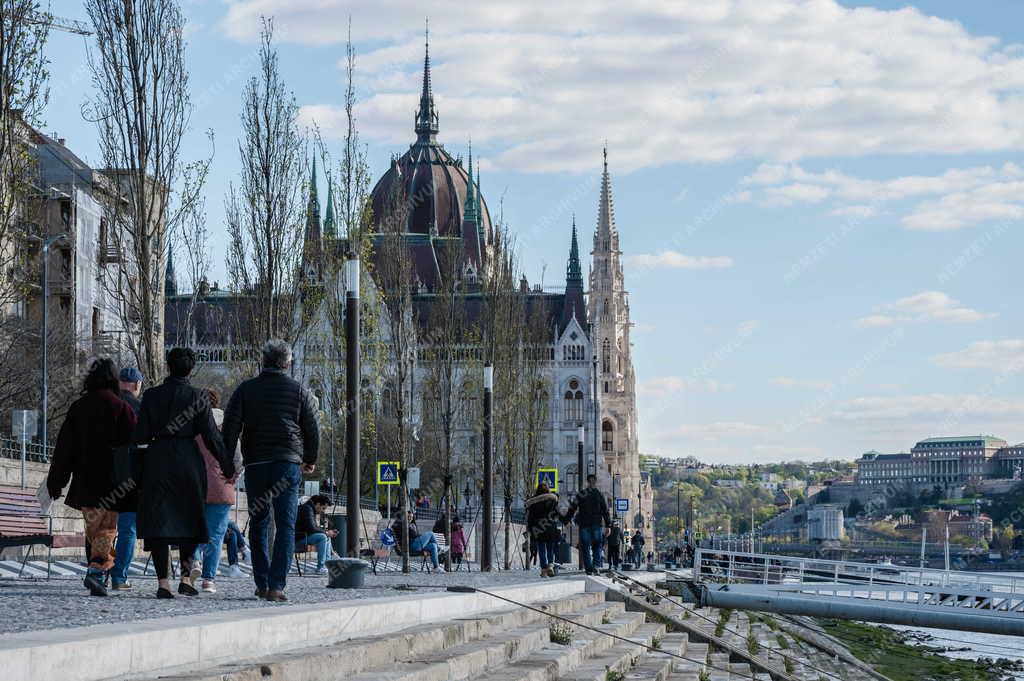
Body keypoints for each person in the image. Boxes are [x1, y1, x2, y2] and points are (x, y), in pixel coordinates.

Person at [222, 339, 320, 602]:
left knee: (259, 522)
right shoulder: (299, 391)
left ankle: (262, 583)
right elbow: (312, 428)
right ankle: (277, 585)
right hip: (288, 463)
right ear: (287, 363)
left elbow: (230, 428)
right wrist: (309, 458)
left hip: (257, 465)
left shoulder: (246, 390)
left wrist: (228, 464)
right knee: (286, 525)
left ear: (262, 361)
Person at [133, 348, 232, 599]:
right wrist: (227, 465)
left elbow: (140, 435)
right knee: (190, 518)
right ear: (191, 369)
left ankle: (163, 582)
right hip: (188, 461)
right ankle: (186, 578)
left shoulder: (152, 396)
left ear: (168, 366)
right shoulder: (198, 396)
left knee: (158, 521)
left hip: (158, 460)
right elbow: (211, 437)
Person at [46, 359, 138, 597]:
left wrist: (56, 482)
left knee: (94, 530)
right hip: (113, 481)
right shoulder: (121, 408)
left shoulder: (79, 407)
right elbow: (135, 445)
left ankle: (96, 573)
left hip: (86, 481)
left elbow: (64, 449)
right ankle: (96, 572)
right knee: (107, 530)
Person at [191, 388, 240, 593]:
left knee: (194, 529)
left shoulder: (192, 426)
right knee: (217, 534)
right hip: (222, 484)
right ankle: (208, 579)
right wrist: (233, 474)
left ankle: (194, 559)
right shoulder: (227, 426)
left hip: (196, 484)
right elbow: (238, 458)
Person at [109, 366, 144, 590]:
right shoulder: (139, 409)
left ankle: (97, 570)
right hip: (130, 478)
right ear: (137, 385)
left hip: (103, 476)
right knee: (127, 529)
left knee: (101, 528)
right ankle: (119, 576)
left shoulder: (105, 404)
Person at [562, 474, 612, 575]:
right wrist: (608, 525)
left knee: (585, 547)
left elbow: (572, 507)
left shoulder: (581, 494)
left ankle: (589, 569)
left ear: (587, 482)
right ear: (595, 482)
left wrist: (567, 520)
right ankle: (596, 566)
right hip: (596, 524)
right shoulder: (599, 494)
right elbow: (605, 510)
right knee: (597, 545)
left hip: (584, 524)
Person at [525, 482, 561, 577]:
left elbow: (530, 517)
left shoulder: (533, 502)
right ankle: (550, 565)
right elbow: (556, 513)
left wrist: (529, 529)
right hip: (549, 526)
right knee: (550, 547)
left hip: (538, 528)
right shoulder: (552, 500)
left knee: (541, 549)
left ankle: (543, 569)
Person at [295, 494, 338, 574]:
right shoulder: (307, 509)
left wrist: (326, 533)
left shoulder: (310, 509)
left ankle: (327, 565)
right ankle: (320, 567)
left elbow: (313, 528)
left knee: (326, 536)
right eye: (323, 508)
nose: (323, 511)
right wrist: (327, 532)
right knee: (323, 537)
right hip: (298, 538)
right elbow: (312, 528)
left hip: (304, 536)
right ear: (318, 504)